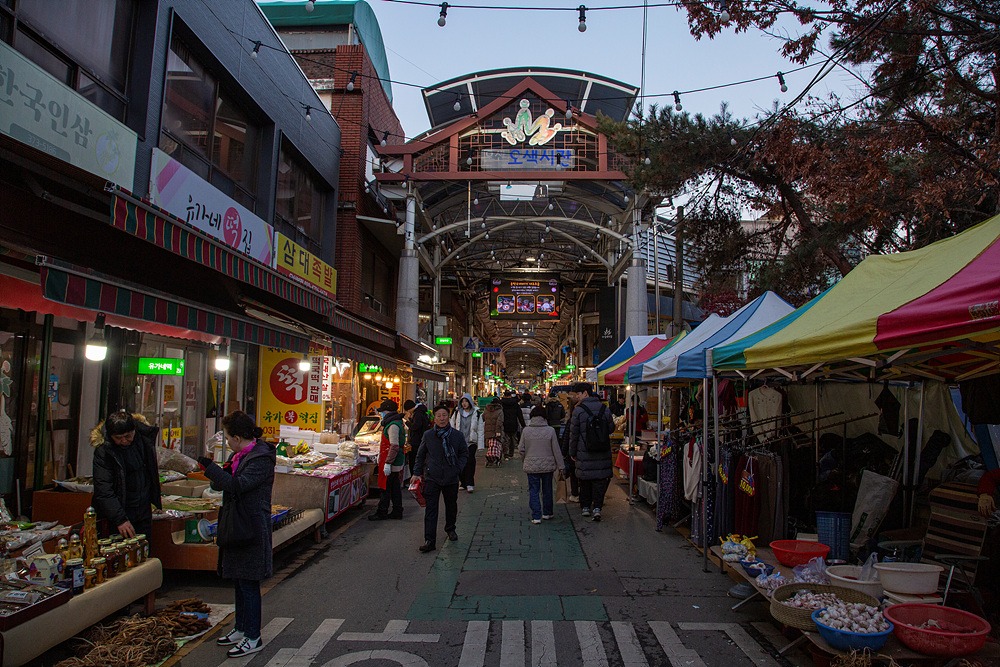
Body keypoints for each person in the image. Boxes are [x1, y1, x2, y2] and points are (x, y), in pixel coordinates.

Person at [197, 411, 275, 658]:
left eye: (229, 437)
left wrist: (210, 469)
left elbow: (238, 485)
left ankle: (253, 636)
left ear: (239, 437)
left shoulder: (260, 459)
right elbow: (223, 482)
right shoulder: (239, 455)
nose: (227, 442)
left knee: (249, 583)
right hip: (236, 523)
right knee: (239, 580)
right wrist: (216, 475)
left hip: (250, 525)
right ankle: (241, 628)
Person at [91, 410, 161, 539]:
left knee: (145, 552)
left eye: (128, 436)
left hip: (143, 510)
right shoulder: (103, 451)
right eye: (118, 438)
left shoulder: (143, 439)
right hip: (120, 512)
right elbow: (104, 489)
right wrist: (120, 519)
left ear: (134, 430)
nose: (124, 441)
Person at [412, 405, 469, 552]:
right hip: (432, 477)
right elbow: (420, 455)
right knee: (431, 509)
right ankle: (429, 540)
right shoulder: (428, 435)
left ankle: (450, 529)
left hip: (451, 477)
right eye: (439, 416)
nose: (442, 418)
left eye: (444, 415)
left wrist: (458, 468)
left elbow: (464, 453)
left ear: (448, 417)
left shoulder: (457, 435)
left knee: (451, 506)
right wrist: (417, 472)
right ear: (435, 418)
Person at [569, 382, 614, 522]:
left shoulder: (578, 411)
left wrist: (572, 452)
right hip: (602, 450)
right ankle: (597, 508)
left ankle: (586, 507)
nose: (577, 396)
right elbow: (611, 428)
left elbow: (574, 434)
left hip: (584, 451)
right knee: (599, 481)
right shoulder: (604, 408)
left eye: (578, 394)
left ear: (585, 393)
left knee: (585, 481)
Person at [519, 406, 565, 524]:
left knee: (534, 490)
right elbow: (556, 449)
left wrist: (525, 460)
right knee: (547, 489)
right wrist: (561, 466)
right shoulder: (550, 430)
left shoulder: (526, 431)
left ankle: (536, 516)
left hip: (531, 466)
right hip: (547, 466)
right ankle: (547, 513)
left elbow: (521, 449)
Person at [370, 399, 406, 520]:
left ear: (388, 411)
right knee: (395, 487)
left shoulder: (393, 425)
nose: (381, 414)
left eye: (382, 412)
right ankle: (397, 510)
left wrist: (388, 463)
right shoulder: (395, 422)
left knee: (386, 488)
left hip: (392, 461)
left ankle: (382, 511)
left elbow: (394, 445)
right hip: (393, 460)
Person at [450, 393, 482, 493]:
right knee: (460, 462)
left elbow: (480, 429)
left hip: (471, 442)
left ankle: (470, 483)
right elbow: (451, 426)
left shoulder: (476, 413)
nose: (464, 404)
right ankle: (463, 482)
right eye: (462, 402)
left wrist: (480, 445)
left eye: (466, 401)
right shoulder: (457, 413)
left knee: (470, 462)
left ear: (470, 402)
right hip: (459, 442)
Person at [559, 388, 582, 502]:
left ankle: (575, 494)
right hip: (584, 450)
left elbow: (567, 437)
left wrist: (564, 452)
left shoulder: (571, 419)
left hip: (573, 451)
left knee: (573, 473)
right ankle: (584, 494)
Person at [405, 399, 431, 475]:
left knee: (415, 460)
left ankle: (416, 478)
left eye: (407, 410)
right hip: (420, 440)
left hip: (417, 441)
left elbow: (415, 426)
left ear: (409, 408)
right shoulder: (421, 411)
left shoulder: (417, 413)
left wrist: (407, 421)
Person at [500, 391, 525, 459]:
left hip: (504, 423)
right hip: (513, 423)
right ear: (510, 395)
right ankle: (511, 453)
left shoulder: (501, 403)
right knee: (513, 439)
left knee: (505, 439)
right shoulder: (515, 404)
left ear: (504, 395)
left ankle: (505, 453)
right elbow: (519, 415)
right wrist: (523, 425)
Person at [481, 397, 505, 465]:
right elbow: (499, 423)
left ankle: (490, 458)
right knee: (497, 445)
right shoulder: (500, 411)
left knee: (490, 446)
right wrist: (498, 432)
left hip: (488, 432)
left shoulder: (486, 410)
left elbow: (482, 418)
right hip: (496, 432)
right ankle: (497, 458)